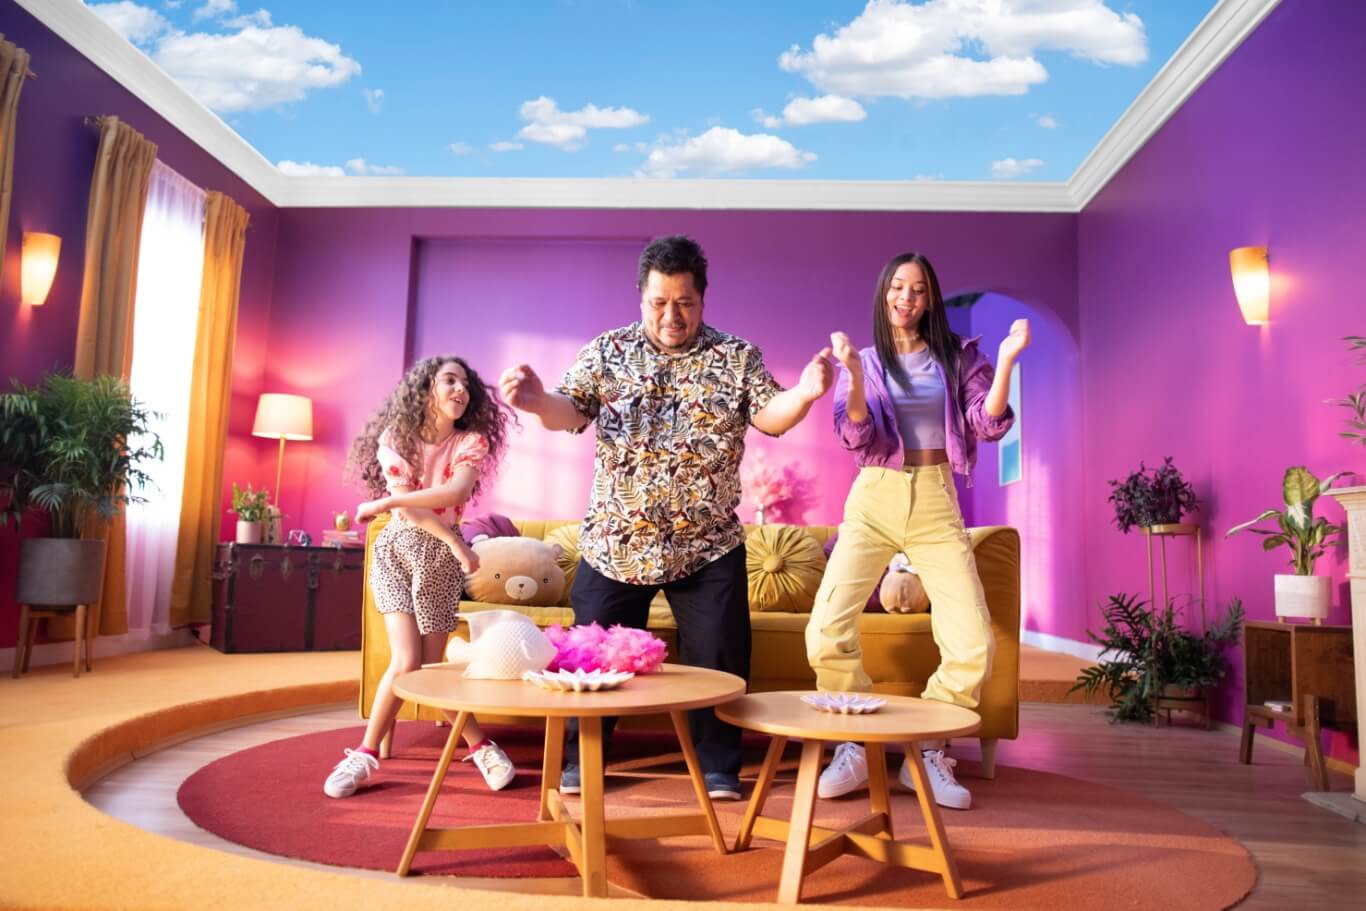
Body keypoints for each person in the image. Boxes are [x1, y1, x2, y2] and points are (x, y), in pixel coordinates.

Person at [499, 235, 833, 800]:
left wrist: (802, 393)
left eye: (684, 303)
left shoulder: (736, 356)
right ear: (641, 296)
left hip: (707, 546)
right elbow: (567, 409)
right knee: (591, 657)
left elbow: (772, 418)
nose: (671, 315)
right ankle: (585, 760)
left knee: (720, 661)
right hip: (615, 541)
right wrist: (535, 401)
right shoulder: (607, 352)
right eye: (659, 302)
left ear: (703, 299)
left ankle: (719, 766)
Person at [806, 251, 1029, 810]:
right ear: (884, 295)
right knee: (825, 629)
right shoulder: (863, 360)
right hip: (874, 497)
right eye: (897, 288)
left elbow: (987, 423)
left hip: (935, 497)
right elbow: (856, 437)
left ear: (930, 298)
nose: (906, 298)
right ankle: (854, 739)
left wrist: (1005, 363)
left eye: (918, 289)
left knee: (973, 639)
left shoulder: (957, 357)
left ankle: (925, 750)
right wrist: (854, 379)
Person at [322, 355, 519, 799]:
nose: (460, 390)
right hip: (397, 548)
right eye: (449, 380)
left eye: (466, 383)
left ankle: (482, 746)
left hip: (436, 560)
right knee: (406, 661)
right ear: (426, 388)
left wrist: (380, 505)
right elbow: (409, 508)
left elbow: (453, 493)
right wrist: (454, 543)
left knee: (429, 669)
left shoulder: (472, 442)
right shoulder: (397, 438)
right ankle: (365, 754)